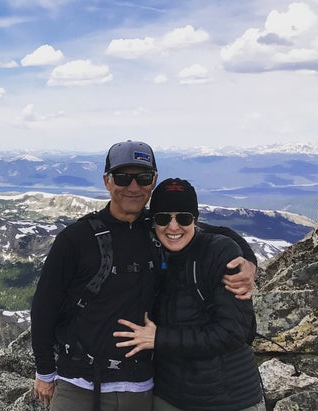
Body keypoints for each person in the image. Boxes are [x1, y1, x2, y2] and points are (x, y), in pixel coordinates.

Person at [31, 141, 257, 411]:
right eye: (123, 177)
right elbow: (44, 307)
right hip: (77, 381)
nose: (134, 187)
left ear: (153, 182)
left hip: (137, 385)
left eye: (143, 178)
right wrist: (45, 372)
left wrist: (248, 260)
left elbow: (213, 233)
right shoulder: (76, 238)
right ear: (107, 181)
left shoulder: (158, 224)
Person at [114, 178, 265, 411]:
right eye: (163, 218)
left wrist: (158, 339)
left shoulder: (219, 253)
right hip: (170, 395)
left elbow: (233, 333)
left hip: (227, 398)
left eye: (183, 218)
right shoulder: (153, 248)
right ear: (153, 221)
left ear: (195, 219)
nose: (173, 227)